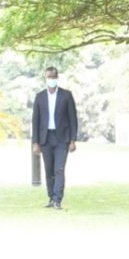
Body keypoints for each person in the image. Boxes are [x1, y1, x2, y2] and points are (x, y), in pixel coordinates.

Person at [32, 66, 79, 209]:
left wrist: (72, 140)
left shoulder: (66, 95)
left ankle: (58, 199)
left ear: (57, 77)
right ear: (45, 78)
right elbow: (35, 120)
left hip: (61, 139)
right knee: (49, 170)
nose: (51, 79)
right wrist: (35, 142)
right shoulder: (39, 97)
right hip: (45, 138)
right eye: (48, 77)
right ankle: (51, 198)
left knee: (59, 169)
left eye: (53, 77)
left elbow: (73, 119)